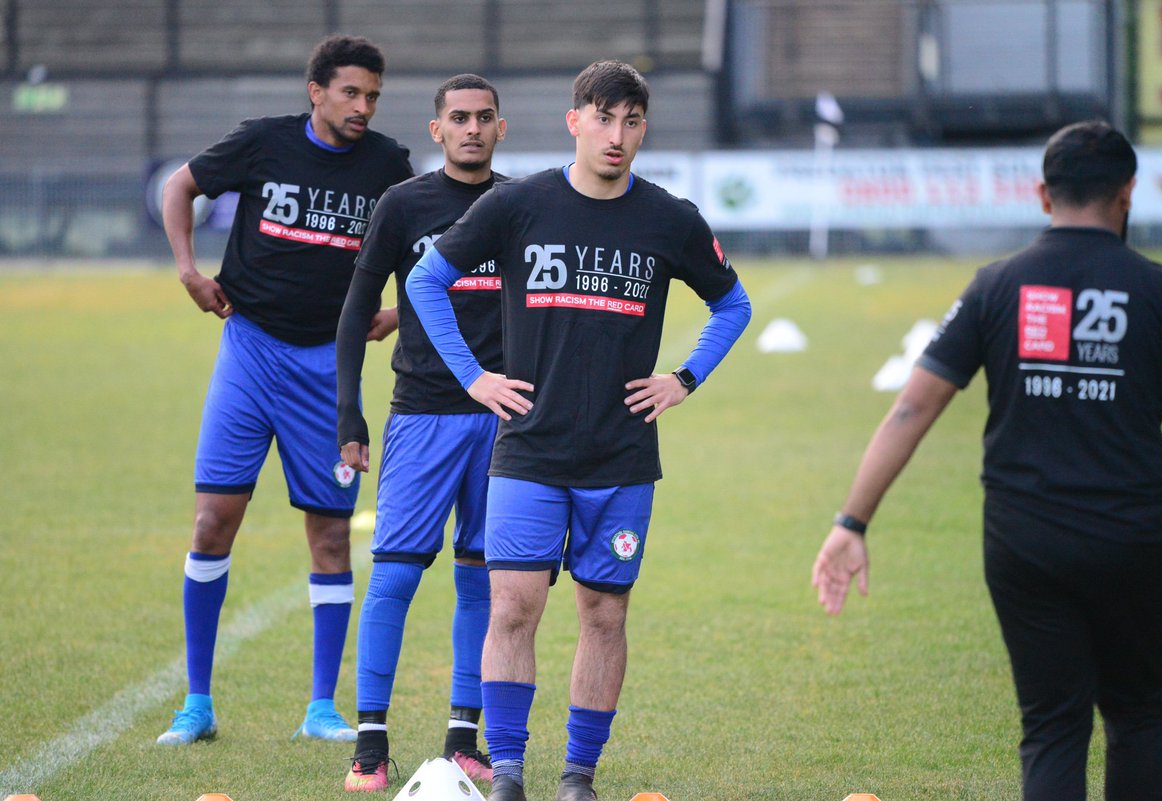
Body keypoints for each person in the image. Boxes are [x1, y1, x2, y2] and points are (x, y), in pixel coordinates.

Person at [812, 120, 1162, 801]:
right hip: (1133, 539)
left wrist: (852, 520)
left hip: (1027, 543)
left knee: (1052, 727)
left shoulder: (997, 286)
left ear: (1042, 196)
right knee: (1138, 715)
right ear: (1128, 193)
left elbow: (912, 408)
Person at [406, 60, 752, 801]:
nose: (616, 135)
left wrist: (683, 378)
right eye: (603, 118)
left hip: (621, 456)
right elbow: (425, 279)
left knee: (603, 611)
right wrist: (474, 378)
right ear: (575, 122)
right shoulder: (520, 205)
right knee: (512, 607)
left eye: (630, 121)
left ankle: (578, 775)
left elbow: (734, 304)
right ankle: (506, 772)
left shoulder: (670, 218)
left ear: (642, 128)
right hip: (529, 450)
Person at [156, 34, 414, 746]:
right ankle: (196, 703)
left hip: (328, 367)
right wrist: (188, 270)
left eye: (373, 96)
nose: (362, 106)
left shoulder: (389, 163)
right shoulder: (263, 145)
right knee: (213, 520)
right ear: (316, 91)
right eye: (351, 93)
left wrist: (399, 310)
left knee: (331, 534)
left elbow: (417, 240)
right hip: (249, 350)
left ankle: (321, 708)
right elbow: (179, 186)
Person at [334, 73, 508, 793]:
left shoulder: (521, 202)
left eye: (484, 117)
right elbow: (355, 311)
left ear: (502, 126)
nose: (472, 128)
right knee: (397, 575)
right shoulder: (404, 204)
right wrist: (350, 414)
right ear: (436, 131)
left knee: (485, 583)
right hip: (424, 416)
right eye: (458, 118)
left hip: (506, 421)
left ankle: (464, 737)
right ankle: (369, 743)